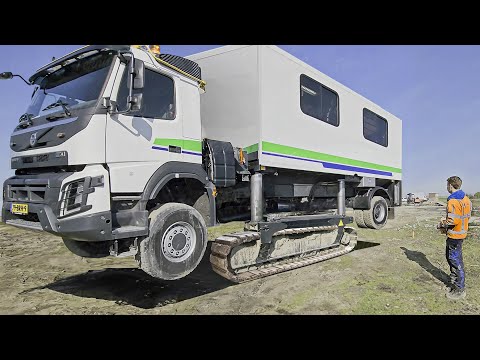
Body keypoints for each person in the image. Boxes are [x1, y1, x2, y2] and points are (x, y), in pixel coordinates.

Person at [437, 176, 472, 300]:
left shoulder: (452, 201)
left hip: (454, 235)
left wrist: (441, 224)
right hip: (461, 234)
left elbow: (452, 220)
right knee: (453, 258)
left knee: (455, 261)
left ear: (450, 186)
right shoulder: (466, 199)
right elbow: (466, 216)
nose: (447, 187)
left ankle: (459, 289)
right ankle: (454, 281)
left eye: (447, 185)